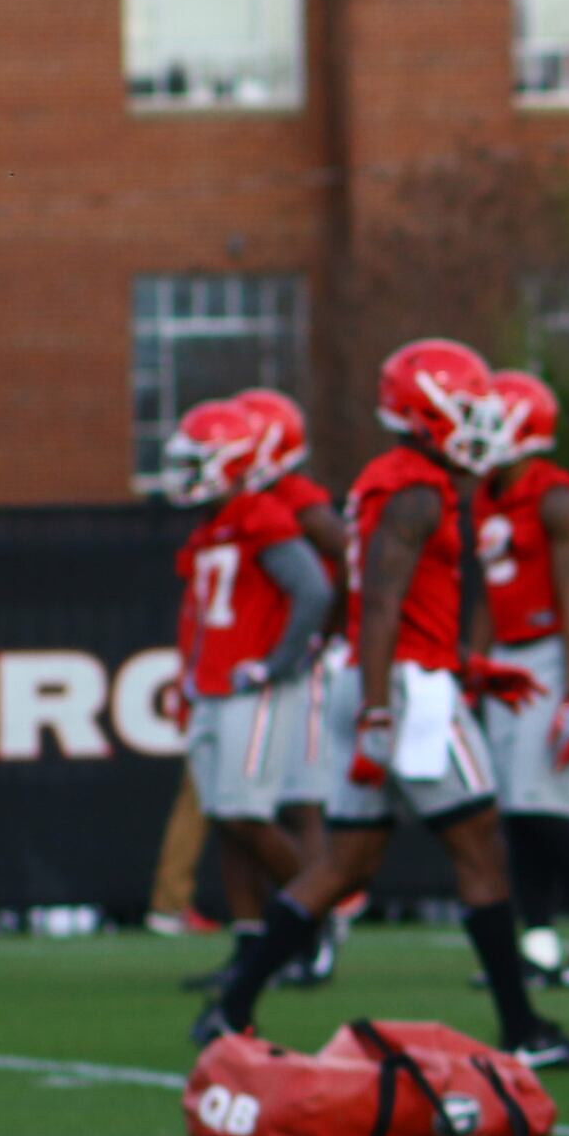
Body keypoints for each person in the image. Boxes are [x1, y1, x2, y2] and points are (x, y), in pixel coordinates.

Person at [190, 339, 569, 1071]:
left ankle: (232, 1006)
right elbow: (380, 601)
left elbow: (399, 606)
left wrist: (464, 667)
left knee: (346, 864)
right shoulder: (416, 489)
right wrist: (389, 707)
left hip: (389, 679)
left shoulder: (397, 480)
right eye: (470, 407)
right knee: (481, 849)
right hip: (406, 693)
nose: (482, 423)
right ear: (429, 413)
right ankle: (522, 1030)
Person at [158, 397, 335, 991]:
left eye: (198, 460)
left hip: (250, 690)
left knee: (245, 812)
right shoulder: (214, 524)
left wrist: (277, 663)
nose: (184, 473)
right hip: (212, 686)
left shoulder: (260, 514)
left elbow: (312, 590)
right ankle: (251, 941)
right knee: (225, 820)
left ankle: (315, 915)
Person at [472, 372, 569, 990]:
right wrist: (473, 667)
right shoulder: (486, 495)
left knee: (540, 805)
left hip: (553, 655)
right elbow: (487, 592)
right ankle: (537, 943)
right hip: (507, 657)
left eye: (488, 421)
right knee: (514, 807)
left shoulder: (554, 496)